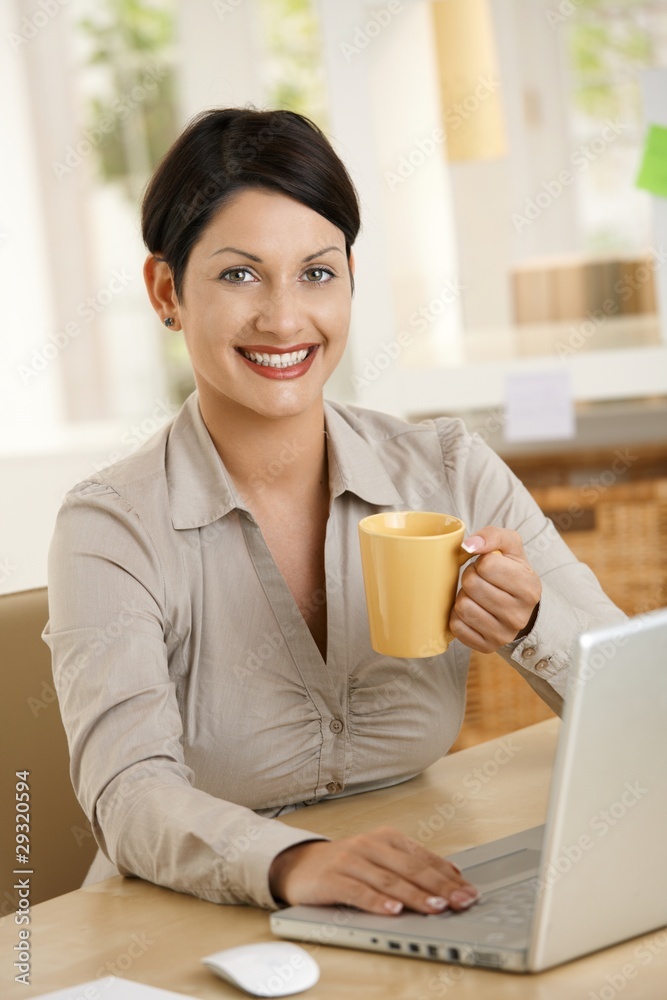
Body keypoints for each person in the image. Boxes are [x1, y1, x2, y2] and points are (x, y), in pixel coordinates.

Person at [44, 108, 625, 918]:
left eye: (316, 273)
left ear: (350, 276)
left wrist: (533, 621)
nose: (284, 318)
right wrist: (295, 865)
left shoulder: (448, 470)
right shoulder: (110, 527)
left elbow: (638, 707)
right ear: (167, 291)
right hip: (180, 923)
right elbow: (127, 794)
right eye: (239, 274)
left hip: (409, 892)